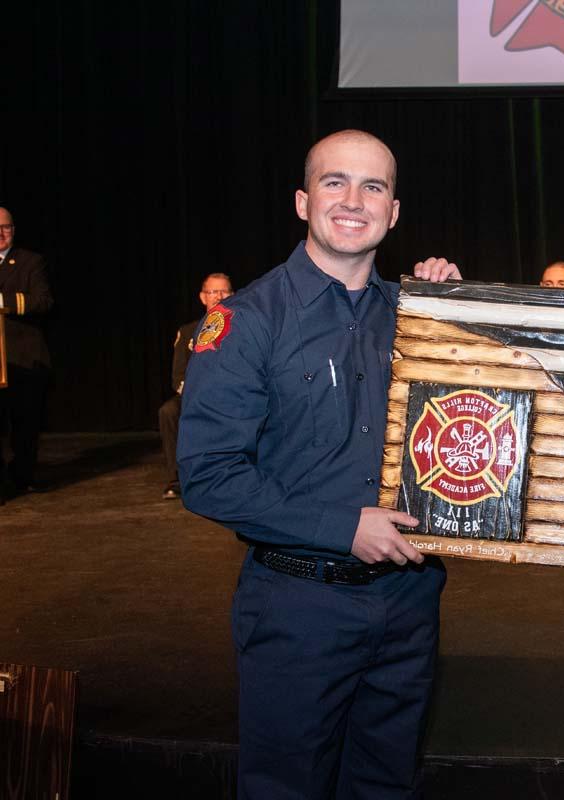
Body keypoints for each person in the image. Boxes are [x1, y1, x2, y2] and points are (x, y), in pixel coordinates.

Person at [178, 130, 462, 798]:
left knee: (385, 786)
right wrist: (342, 528)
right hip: (298, 611)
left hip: (409, 601)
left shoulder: (420, 319)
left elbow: (479, 428)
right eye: (335, 182)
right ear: (304, 202)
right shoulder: (246, 322)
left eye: (375, 186)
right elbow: (209, 474)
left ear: (394, 212)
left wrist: (454, 305)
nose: (354, 201)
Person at [159, 273, 234, 499]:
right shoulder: (189, 332)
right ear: (203, 297)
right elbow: (178, 376)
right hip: (195, 397)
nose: (218, 296)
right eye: (213, 292)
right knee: (169, 412)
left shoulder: (245, 328)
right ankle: (177, 480)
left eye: (223, 292)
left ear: (233, 295)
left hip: (233, 395)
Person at [0, 206, 54, 500]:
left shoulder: (31, 262)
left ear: (13, 230)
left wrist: (0, 300)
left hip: (24, 358)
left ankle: (21, 477)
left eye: (5, 227)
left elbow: (42, 302)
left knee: (24, 424)